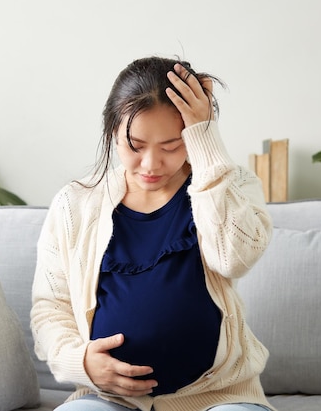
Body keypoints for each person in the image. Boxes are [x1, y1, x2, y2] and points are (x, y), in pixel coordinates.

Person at [30, 56, 275, 411]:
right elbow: (50, 309)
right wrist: (81, 362)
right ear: (112, 131)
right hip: (110, 400)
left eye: (172, 146)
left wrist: (205, 138)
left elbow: (234, 258)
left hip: (217, 398)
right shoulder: (75, 203)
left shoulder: (230, 184)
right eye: (135, 145)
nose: (151, 164)